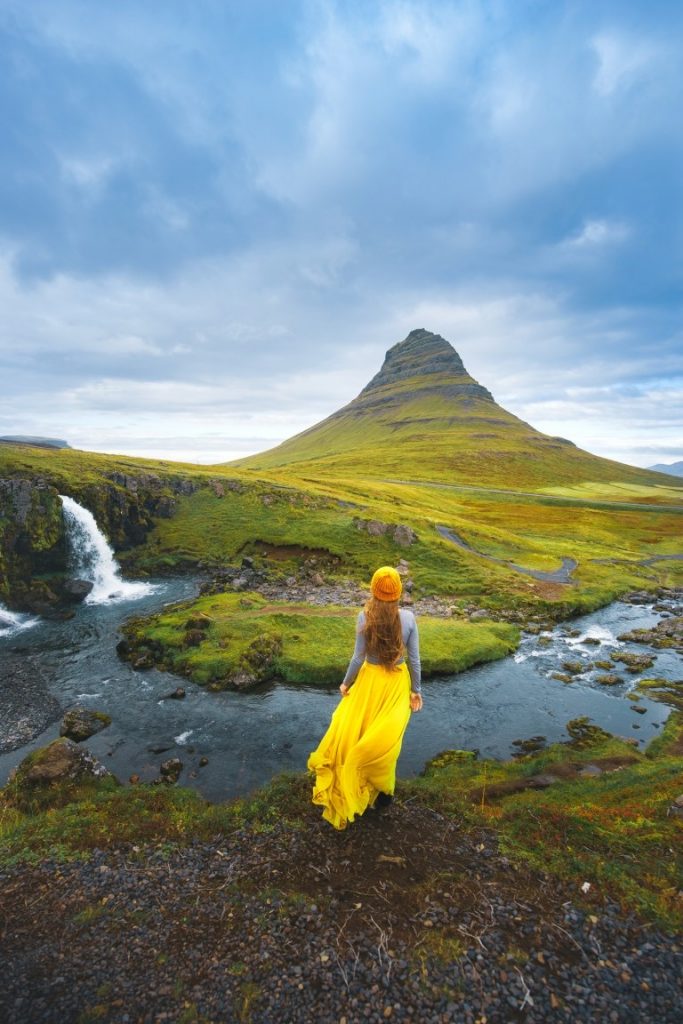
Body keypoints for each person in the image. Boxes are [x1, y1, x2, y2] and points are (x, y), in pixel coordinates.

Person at [307, 565, 423, 830]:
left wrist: (346, 683)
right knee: (386, 741)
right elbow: (414, 660)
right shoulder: (409, 618)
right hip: (396, 684)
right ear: (398, 592)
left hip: (369, 683)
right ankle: (384, 794)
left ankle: (361, 780)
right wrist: (416, 690)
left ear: (373, 590)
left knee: (359, 732)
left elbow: (358, 657)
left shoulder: (364, 617)